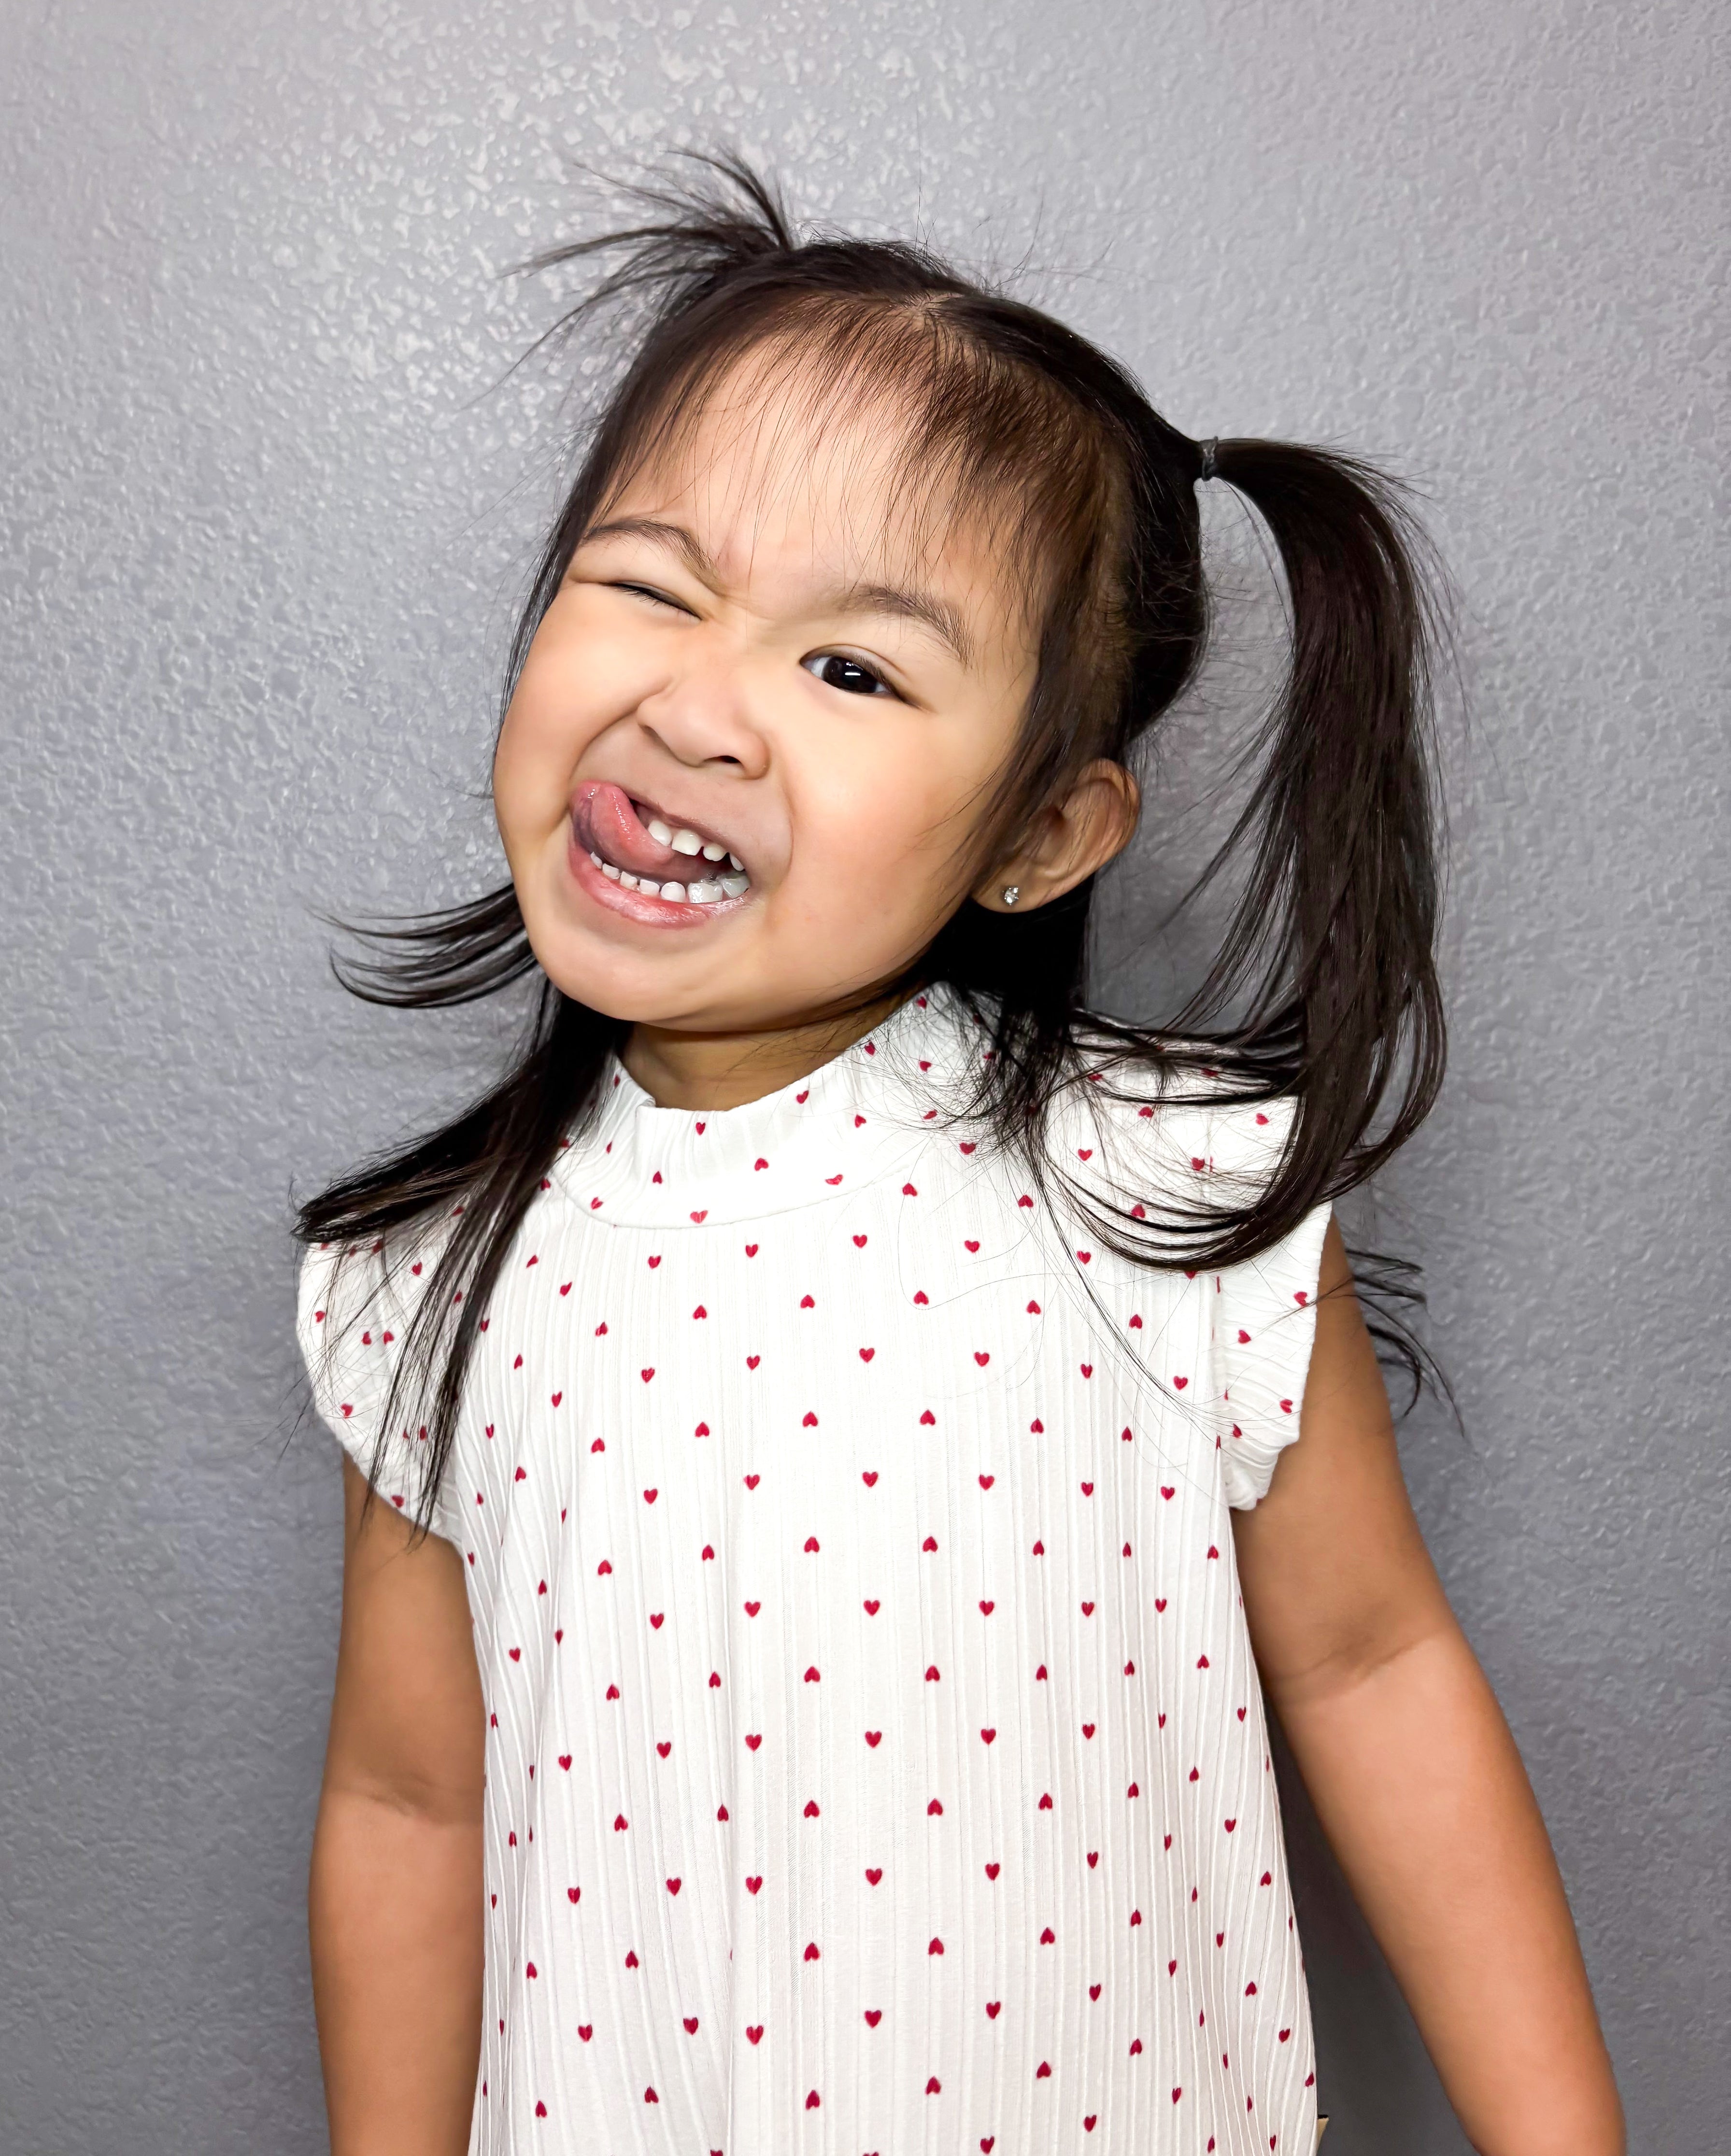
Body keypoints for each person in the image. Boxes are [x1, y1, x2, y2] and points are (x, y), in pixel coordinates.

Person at [293, 151, 1623, 2156]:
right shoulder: (424, 1277)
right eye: (649, 584)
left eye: (852, 668)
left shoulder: (1163, 1187)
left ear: (1043, 835)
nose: (703, 705)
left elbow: (1372, 1661)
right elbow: (408, 1799)